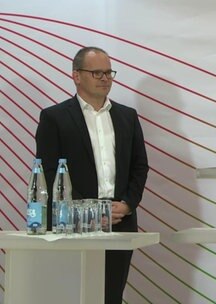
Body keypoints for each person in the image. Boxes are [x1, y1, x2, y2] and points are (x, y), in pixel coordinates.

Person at [35, 46, 149, 304]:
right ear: (76, 75)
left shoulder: (127, 116)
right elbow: (48, 173)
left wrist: (129, 204)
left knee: (111, 296)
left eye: (109, 72)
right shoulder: (55, 118)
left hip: (120, 220)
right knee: (75, 294)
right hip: (75, 222)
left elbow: (139, 166)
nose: (105, 78)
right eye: (97, 72)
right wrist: (87, 210)